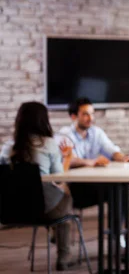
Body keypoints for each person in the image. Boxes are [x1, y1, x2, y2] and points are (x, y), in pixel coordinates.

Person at [0, 102, 77, 271]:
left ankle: (55, 233)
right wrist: (67, 158)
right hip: (44, 209)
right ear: (43, 121)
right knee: (66, 197)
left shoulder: (6, 148)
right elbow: (58, 178)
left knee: (56, 201)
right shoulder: (48, 144)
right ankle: (63, 256)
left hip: (15, 209)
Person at [57, 97, 129, 248]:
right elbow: (69, 161)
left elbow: (112, 151)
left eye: (92, 114)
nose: (90, 118)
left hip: (94, 186)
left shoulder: (96, 133)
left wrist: (123, 158)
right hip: (74, 190)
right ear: (74, 116)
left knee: (120, 189)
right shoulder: (65, 134)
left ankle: (118, 238)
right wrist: (90, 162)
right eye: (85, 114)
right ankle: (116, 239)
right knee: (114, 190)